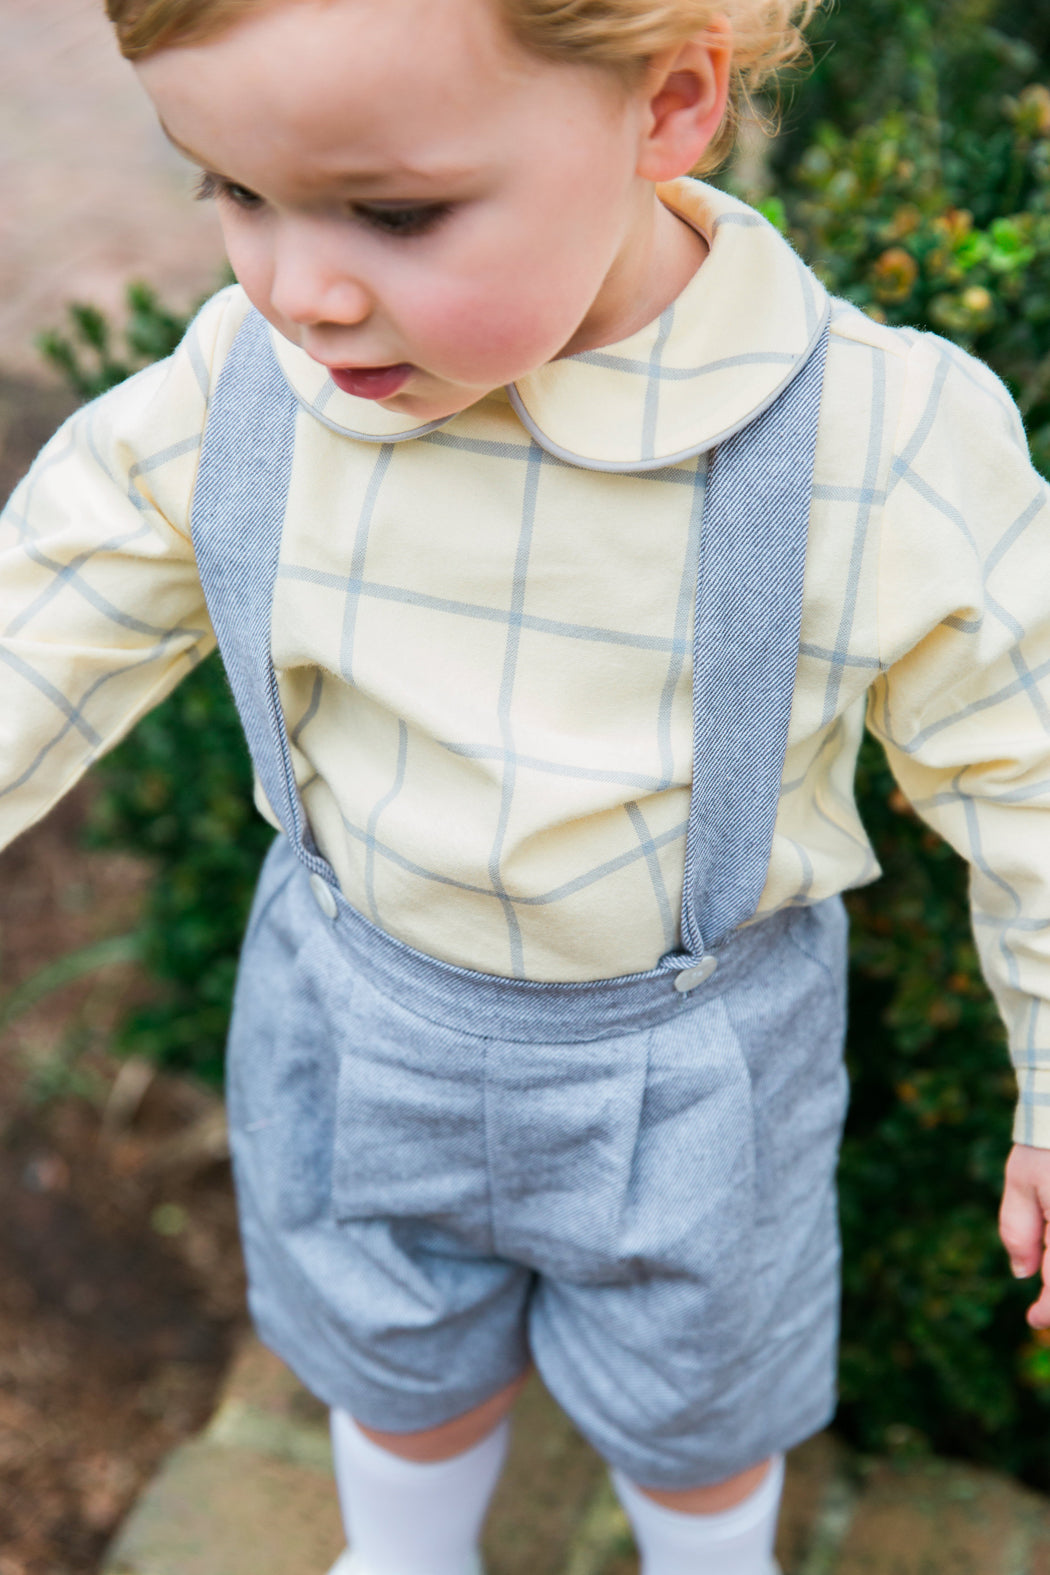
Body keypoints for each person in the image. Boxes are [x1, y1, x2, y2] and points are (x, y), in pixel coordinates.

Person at [4, 0, 1050, 1570]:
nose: (299, 288)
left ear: (668, 107)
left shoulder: (868, 443)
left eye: (395, 211)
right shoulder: (245, 389)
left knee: (698, 1420)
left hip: (693, 1069)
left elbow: (1031, 772)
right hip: (355, 1011)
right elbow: (45, 612)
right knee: (386, 1360)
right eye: (228, 189)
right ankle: (405, 1552)